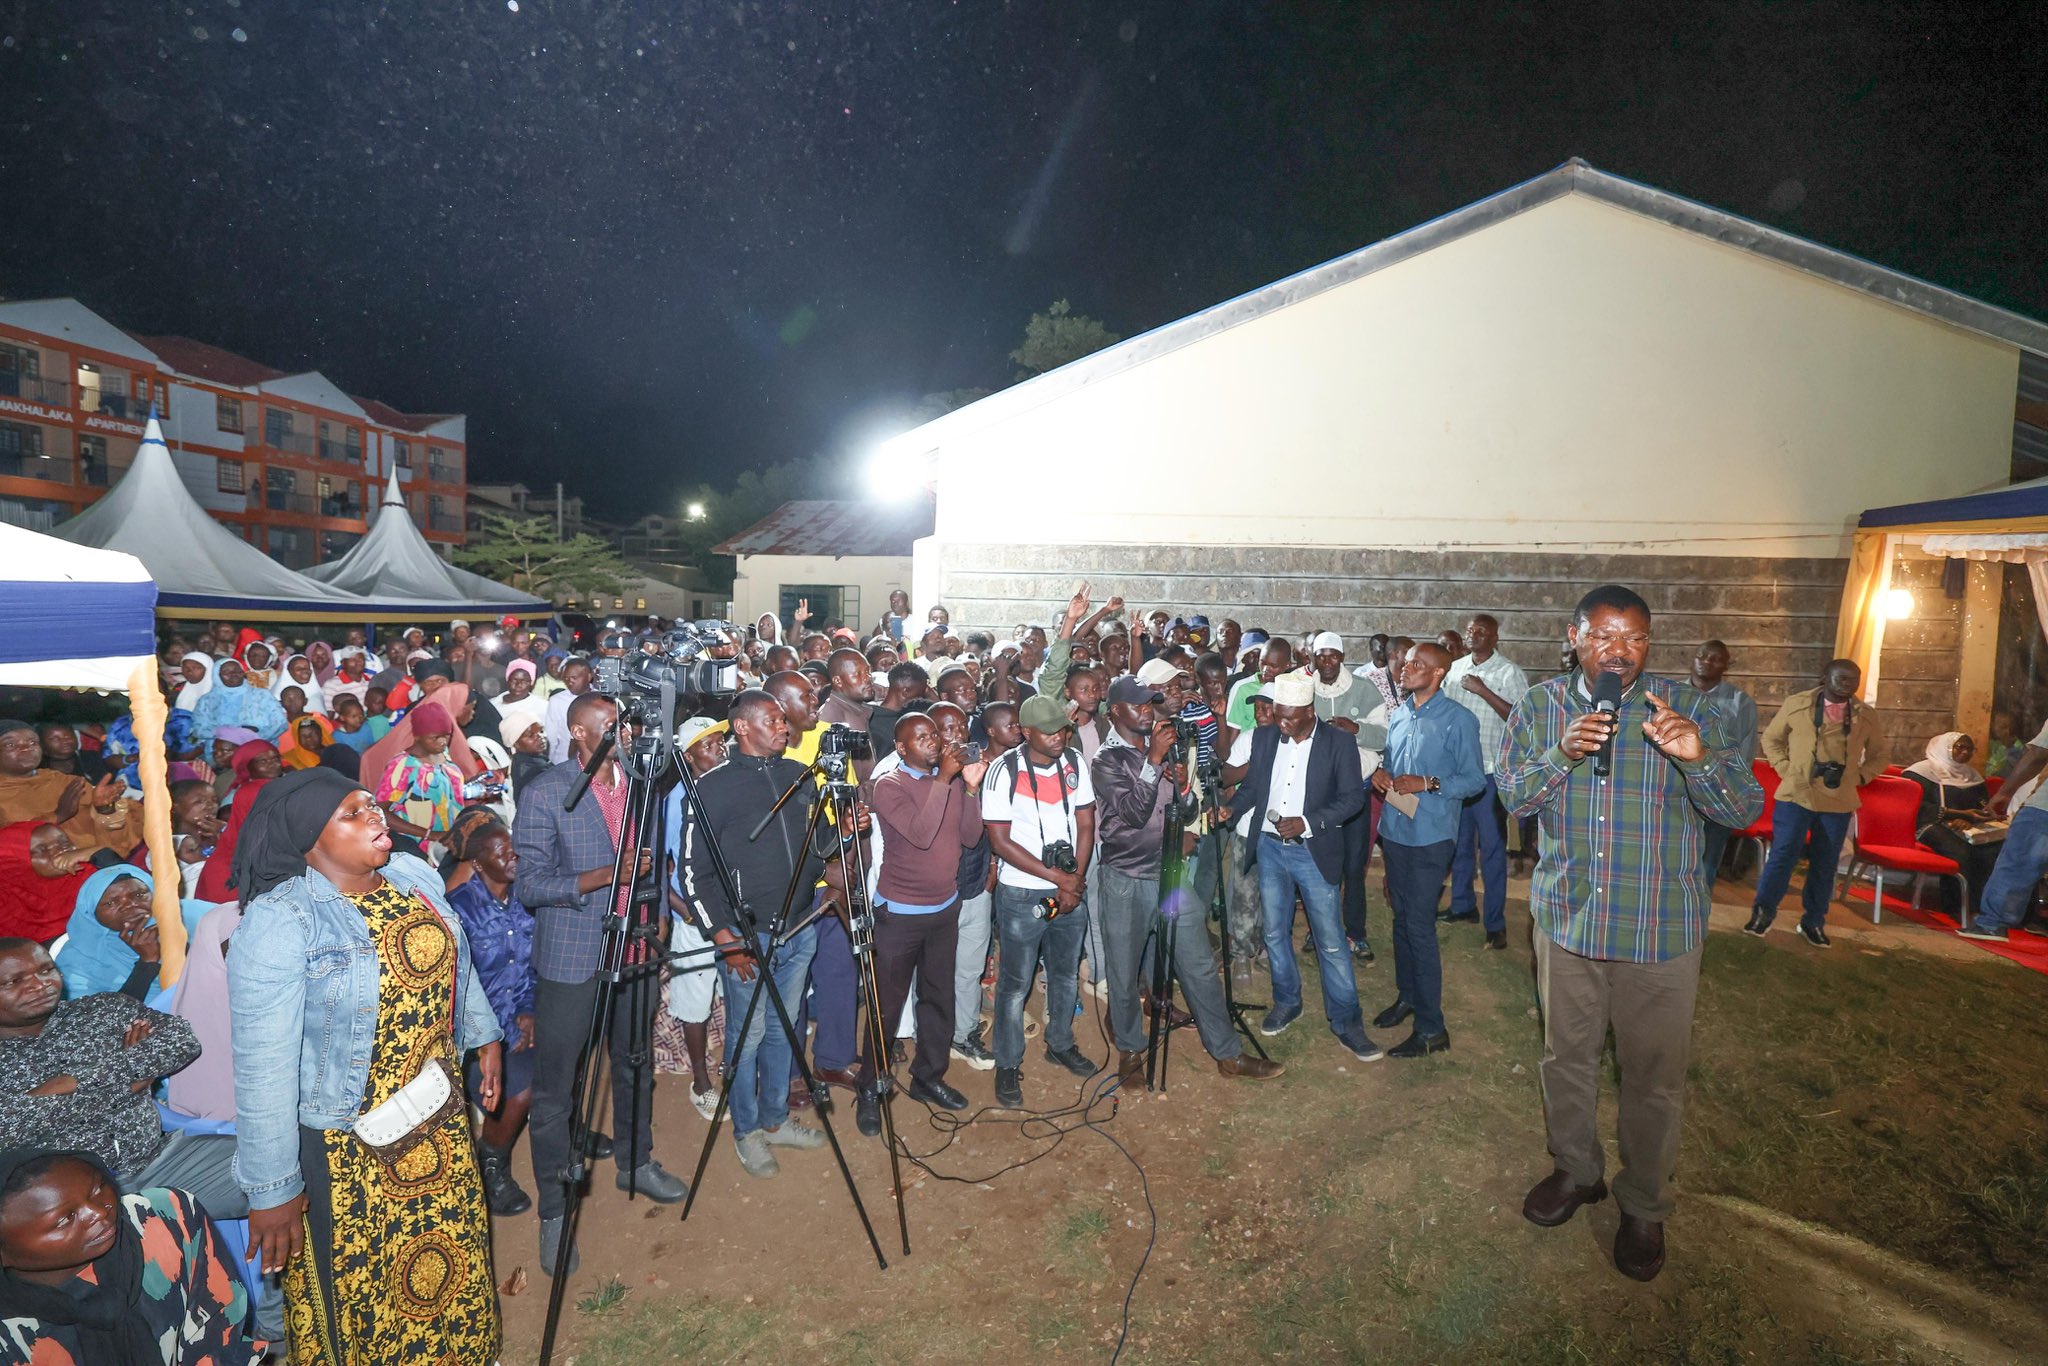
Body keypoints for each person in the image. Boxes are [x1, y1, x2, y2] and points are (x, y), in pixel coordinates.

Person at [1497, 584, 1762, 1284]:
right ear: (1575, 636)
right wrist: (1560, 754)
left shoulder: (1690, 706)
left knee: (1653, 1078)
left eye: (1636, 638)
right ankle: (1576, 1170)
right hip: (1570, 921)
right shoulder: (1539, 707)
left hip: (1659, 927)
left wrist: (1697, 756)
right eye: (1606, 635)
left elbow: (1742, 809)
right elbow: (1513, 798)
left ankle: (1644, 1202)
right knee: (1567, 1059)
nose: (1621, 650)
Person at [226, 767, 503, 1363]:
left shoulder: (410, 875)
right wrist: (273, 1189)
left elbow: (460, 958)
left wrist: (485, 1040)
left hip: (436, 1114)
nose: (376, 817)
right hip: (350, 1145)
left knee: (452, 1250)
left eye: (372, 805)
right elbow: (262, 1067)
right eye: (352, 813)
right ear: (310, 839)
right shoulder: (282, 921)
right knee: (365, 1286)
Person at [516, 692, 686, 1273]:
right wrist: (605, 876)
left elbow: (654, 859)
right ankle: (555, 1212)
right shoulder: (545, 791)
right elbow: (531, 885)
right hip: (573, 957)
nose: (627, 734)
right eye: (613, 727)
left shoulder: (641, 785)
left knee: (634, 1061)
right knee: (556, 1093)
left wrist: (657, 908)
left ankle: (636, 1162)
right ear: (579, 733)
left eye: (628, 725)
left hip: (634, 943)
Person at [1091, 676, 1284, 1085]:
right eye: (1139, 704)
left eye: (1150, 703)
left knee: (1197, 964)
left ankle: (1227, 1053)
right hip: (1126, 879)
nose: (1148, 709)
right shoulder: (1107, 760)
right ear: (1116, 713)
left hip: (1170, 876)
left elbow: (1186, 806)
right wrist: (1154, 763)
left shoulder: (1159, 751)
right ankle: (1129, 1051)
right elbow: (1133, 814)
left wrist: (1180, 786)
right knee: (1124, 973)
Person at [680, 691, 835, 1179]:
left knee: (783, 1029)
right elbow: (693, 875)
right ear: (743, 728)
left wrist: (847, 834)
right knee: (745, 1040)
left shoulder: (799, 777)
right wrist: (726, 940)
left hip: (799, 927)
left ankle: (773, 1119)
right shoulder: (712, 789)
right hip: (748, 939)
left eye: (784, 722)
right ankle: (746, 1131)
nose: (785, 728)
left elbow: (822, 843)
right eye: (773, 720)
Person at [0, 936, 245, 1220]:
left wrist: (69, 1083)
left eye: (45, 970)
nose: (39, 984)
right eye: (14, 981)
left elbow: (180, 1040)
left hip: (162, 1161)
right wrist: (127, 1080)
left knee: (279, 1169)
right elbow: (6, 1126)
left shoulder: (103, 1010)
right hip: (63, 1200)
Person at [0, 1146, 257, 1366]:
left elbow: (218, 1327)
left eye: (98, 1188)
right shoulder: (10, 1337)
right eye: (65, 1219)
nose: (98, 1212)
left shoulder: (165, 1218)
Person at [1233, 673, 1376, 1059]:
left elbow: (1352, 800)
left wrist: (1309, 823)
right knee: (1276, 934)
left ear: (1310, 711)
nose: (1280, 724)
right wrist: (1230, 810)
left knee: (1330, 941)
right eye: (1278, 715)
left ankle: (1347, 1021)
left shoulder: (1339, 743)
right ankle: (1287, 1001)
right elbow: (1252, 788)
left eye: (1289, 718)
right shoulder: (1265, 738)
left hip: (1312, 851)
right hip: (1270, 848)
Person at [853, 712, 985, 1127]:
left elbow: (970, 836)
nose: (933, 741)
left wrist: (971, 789)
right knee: (885, 1008)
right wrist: (946, 781)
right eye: (921, 737)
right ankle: (871, 1088)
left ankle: (928, 1076)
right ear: (902, 748)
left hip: (944, 910)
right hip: (900, 915)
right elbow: (921, 833)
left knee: (938, 1000)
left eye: (934, 734)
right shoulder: (890, 786)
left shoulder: (946, 782)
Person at [981, 694, 1098, 1109]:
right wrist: (1058, 879)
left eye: (1063, 729)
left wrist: (1074, 880)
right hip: (1022, 892)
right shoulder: (1002, 771)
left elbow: (1086, 822)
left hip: (1070, 887)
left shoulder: (1075, 763)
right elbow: (999, 840)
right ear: (1026, 732)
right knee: (1015, 984)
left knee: (1066, 974)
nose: (1059, 737)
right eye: (1049, 731)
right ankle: (1007, 1062)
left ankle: (1060, 1042)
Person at [1371, 643, 1486, 1057]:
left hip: (1432, 836)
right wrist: (1382, 774)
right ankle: (1408, 997)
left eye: (1417, 664)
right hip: (1397, 830)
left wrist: (1429, 783)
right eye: (1405, 663)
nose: (1405, 668)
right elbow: (1392, 761)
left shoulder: (1459, 720)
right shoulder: (1401, 713)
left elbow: (1474, 780)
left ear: (1438, 674)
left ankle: (1432, 1028)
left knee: (1419, 926)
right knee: (1401, 920)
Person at [1749, 659, 1888, 947]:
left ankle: (1813, 921)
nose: (1848, 684)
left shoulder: (1865, 714)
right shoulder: (1797, 703)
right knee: (1783, 854)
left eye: (1854, 679)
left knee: (1825, 863)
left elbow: (1880, 755)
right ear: (1824, 677)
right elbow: (1772, 740)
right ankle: (1763, 912)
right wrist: (1787, 770)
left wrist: (1860, 777)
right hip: (1796, 794)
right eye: (1841, 678)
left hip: (1838, 800)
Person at [443, 815, 537, 1216]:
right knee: (518, 1092)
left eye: (511, 845)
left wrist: (530, 1010)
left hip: (526, 1014)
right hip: (480, 1036)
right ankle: (492, 1161)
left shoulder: (527, 896)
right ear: (478, 863)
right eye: (500, 852)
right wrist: (500, 1028)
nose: (512, 855)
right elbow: (461, 987)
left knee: (570, 1057)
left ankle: (568, 1134)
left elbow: (533, 966)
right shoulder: (459, 911)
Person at [661, 718, 731, 1120]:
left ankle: (729, 1063)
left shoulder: (729, 787)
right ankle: (701, 1083)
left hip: (729, 909)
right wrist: (683, 911)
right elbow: (664, 865)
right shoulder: (677, 800)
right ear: (688, 757)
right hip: (695, 915)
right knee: (695, 998)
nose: (720, 749)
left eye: (721, 741)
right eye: (708, 745)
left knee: (732, 988)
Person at [1303, 631, 1382, 960]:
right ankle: (1318, 928)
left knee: (1353, 864)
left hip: (1355, 795)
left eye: (1333, 655)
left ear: (1342, 655)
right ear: (1314, 658)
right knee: (1320, 864)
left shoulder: (1364, 689)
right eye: (1320, 656)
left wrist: (1357, 729)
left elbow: (1384, 737)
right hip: (1319, 796)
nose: (1327, 661)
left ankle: (1355, 931)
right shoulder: (1307, 691)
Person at [55, 867, 206, 1008]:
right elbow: (98, 1024)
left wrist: (183, 948)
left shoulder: (193, 915)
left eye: (139, 895)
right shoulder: (77, 960)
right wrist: (146, 964)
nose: (130, 905)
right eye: (111, 903)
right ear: (91, 913)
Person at [1895, 733, 2000, 922]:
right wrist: (1956, 815)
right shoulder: (1920, 772)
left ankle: (1980, 907)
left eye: (1969, 749)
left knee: (1990, 851)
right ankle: (1956, 906)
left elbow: (1981, 807)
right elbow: (1914, 807)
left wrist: (1971, 819)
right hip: (1927, 825)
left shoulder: (1972, 776)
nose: (1965, 752)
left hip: (1965, 827)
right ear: (1944, 747)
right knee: (1960, 851)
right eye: (1959, 747)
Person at [0, 722, 144, 859]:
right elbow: (9, 846)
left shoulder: (65, 781)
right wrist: (57, 816)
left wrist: (105, 810)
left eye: (32, 742)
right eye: (10, 744)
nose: (26, 748)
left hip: (95, 867)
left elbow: (117, 839)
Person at [1690, 640, 1759, 880]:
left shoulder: (1740, 703)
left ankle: (1699, 914)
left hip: (1717, 792)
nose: (1706, 661)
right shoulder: (1670, 694)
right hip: (1673, 791)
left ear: (1726, 666)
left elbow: (1745, 754)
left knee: (1708, 864)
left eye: (1715, 658)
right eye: (1702, 655)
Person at [193, 741, 282, 906]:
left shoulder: (254, 789)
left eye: (276, 759)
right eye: (263, 761)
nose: (272, 764)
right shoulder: (256, 791)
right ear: (248, 766)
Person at [0, 823, 93, 944]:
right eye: (42, 850)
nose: (61, 851)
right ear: (17, 864)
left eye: (64, 843)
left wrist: (101, 854)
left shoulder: (91, 876)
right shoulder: (5, 910)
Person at [188, 659, 286, 748]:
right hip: (220, 752)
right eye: (227, 672)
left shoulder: (262, 695)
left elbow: (280, 723)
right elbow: (199, 729)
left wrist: (255, 738)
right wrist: (234, 734)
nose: (234, 674)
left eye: (237, 671)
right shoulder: (207, 700)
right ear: (217, 675)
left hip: (258, 748)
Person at [1225, 638, 1293, 733]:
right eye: (1262, 663)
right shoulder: (1242, 688)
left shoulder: (1293, 689)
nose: (1265, 669)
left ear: (1287, 665)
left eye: (1273, 666)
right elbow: (1232, 730)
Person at [868, 660, 930, 762]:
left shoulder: (871, 714)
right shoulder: (873, 722)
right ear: (905, 692)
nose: (922, 699)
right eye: (921, 693)